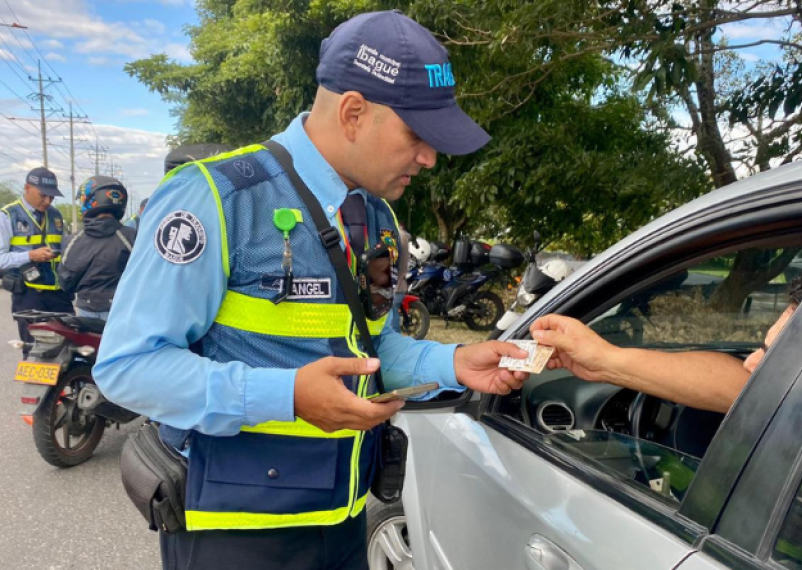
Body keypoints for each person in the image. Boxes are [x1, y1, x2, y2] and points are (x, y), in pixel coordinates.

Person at [94, 10, 528, 570]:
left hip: (342, 524)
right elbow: (128, 367)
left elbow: (370, 350)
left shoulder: (374, 217)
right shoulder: (218, 200)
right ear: (353, 112)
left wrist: (456, 361)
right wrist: (289, 396)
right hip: (236, 535)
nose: (429, 158)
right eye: (417, 135)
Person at [530, 271, 802, 413]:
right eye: (761, 348)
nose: (750, 361)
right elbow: (741, 388)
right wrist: (604, 362)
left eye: (780, 356)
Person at [0, 167, 74, 352]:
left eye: (52, 197)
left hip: (58, 294)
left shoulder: (56, 216)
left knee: (68, 350)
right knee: (35, 351)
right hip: (29, 295)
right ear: (27, 188)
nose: (47, 201)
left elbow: (64, 249)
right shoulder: (8, 216)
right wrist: (30, 256)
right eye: (43, 195)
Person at [58, 176, 136, 320]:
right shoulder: (132, 237)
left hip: (86, 312)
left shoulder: (74, 240)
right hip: (123, 310)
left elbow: (66, 282)